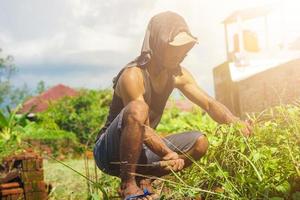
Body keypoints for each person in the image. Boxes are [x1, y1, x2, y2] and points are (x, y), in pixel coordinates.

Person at [94, 11, 251, 200]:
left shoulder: (178, 74)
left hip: (141, 151)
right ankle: (128, 184)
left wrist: (235, 122)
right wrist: (169, 153)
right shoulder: (132, 75)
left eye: (185, 48)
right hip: (109, 153)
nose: (181, 54)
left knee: (200, 143)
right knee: (138, 108)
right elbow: (141, 125)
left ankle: (147, 179)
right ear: (158, 44)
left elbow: (209, 104)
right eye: (174, 48)